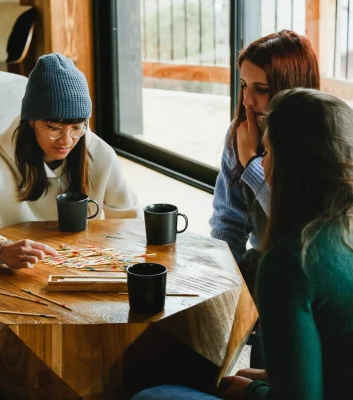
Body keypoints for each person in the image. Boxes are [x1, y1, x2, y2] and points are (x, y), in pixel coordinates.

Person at [134, 88, 353, 399]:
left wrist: (256, 392)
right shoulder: (343, 230)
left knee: (151, 396)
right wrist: (271, 377)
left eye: (267, 153)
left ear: (291, 167)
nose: (261, 166)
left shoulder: (290, 261)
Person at [0, 53, 141, 269]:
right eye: (54, 128)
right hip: (22, 268)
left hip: (86, 263)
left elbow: (129, 223)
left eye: (77, 128)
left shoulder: (99, 153)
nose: (67, 140)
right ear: (31, 120)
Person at [209, 30, 320, 291]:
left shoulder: (323, 141)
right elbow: (228, 223)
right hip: (266, 269)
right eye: (244, 86)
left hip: (311, 275)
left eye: (261, 89)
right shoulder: (241, 133)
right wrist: (230, 288)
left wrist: (251, 163)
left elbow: (301, 232)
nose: (247, 100)